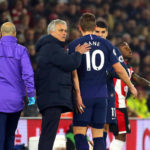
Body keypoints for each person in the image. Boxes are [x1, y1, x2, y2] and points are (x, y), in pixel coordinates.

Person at [68, 13, 137, 150]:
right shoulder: (106, 44)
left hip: (84, 96)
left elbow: (73, 71)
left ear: (79, 27)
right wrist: (131, 86)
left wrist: (77, 94)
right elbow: (119, 69)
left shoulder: (74, 45)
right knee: (99, 135)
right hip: (102, 98)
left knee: (80, 134)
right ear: (94, 27)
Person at [35, 19, 91, 150]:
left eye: (65, 30)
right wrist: (78, 53)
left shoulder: (51, 47)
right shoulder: (52, 47)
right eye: (61, 30)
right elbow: (70, 64)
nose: (64, 33)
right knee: (48, 134)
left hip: (50, 96)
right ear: (51, 32)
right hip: (52, 97)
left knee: (48, 133)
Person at [0, 22, 35, 150]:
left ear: (0, 34)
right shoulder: (21, 50)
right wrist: (31, 95)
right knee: (10, 137)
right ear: (15, 34)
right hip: (15, 101)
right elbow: (28, 74)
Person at [94, 19, 128, 149]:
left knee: (105, 125)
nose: (100, 35)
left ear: (107, 33)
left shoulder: (113, 50)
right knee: (86, 126)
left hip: (107, 94)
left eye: (103, 32)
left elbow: (122, 71)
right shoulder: (85, 48)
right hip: (88, 93)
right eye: (97, 32)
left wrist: (109, 72)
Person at [110, 42, 150, 150]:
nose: (129, 49)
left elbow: (137, 79)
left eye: (129, 47)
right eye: (125, 47)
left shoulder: (128, 68)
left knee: (119, 136)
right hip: (116, 104)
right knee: (120, 136)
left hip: (119, 105)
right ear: (117, 51)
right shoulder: (114, 65)